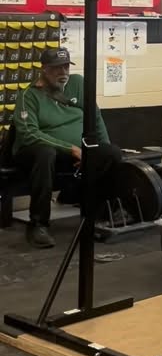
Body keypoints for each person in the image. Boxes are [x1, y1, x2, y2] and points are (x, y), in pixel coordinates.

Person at [12, 48, 121, 249]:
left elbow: (95, 117)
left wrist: (99, 149)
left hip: (76, 151)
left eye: (65, 67)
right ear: (44, 69)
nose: (63, 72)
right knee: (45, 153)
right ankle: (39, 224)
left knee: (111, 153)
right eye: (56, 68)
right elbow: (29, 134)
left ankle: (99, 216)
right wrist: (71, 149)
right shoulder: (29, 96)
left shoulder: (77, 84)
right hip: (40, 153)